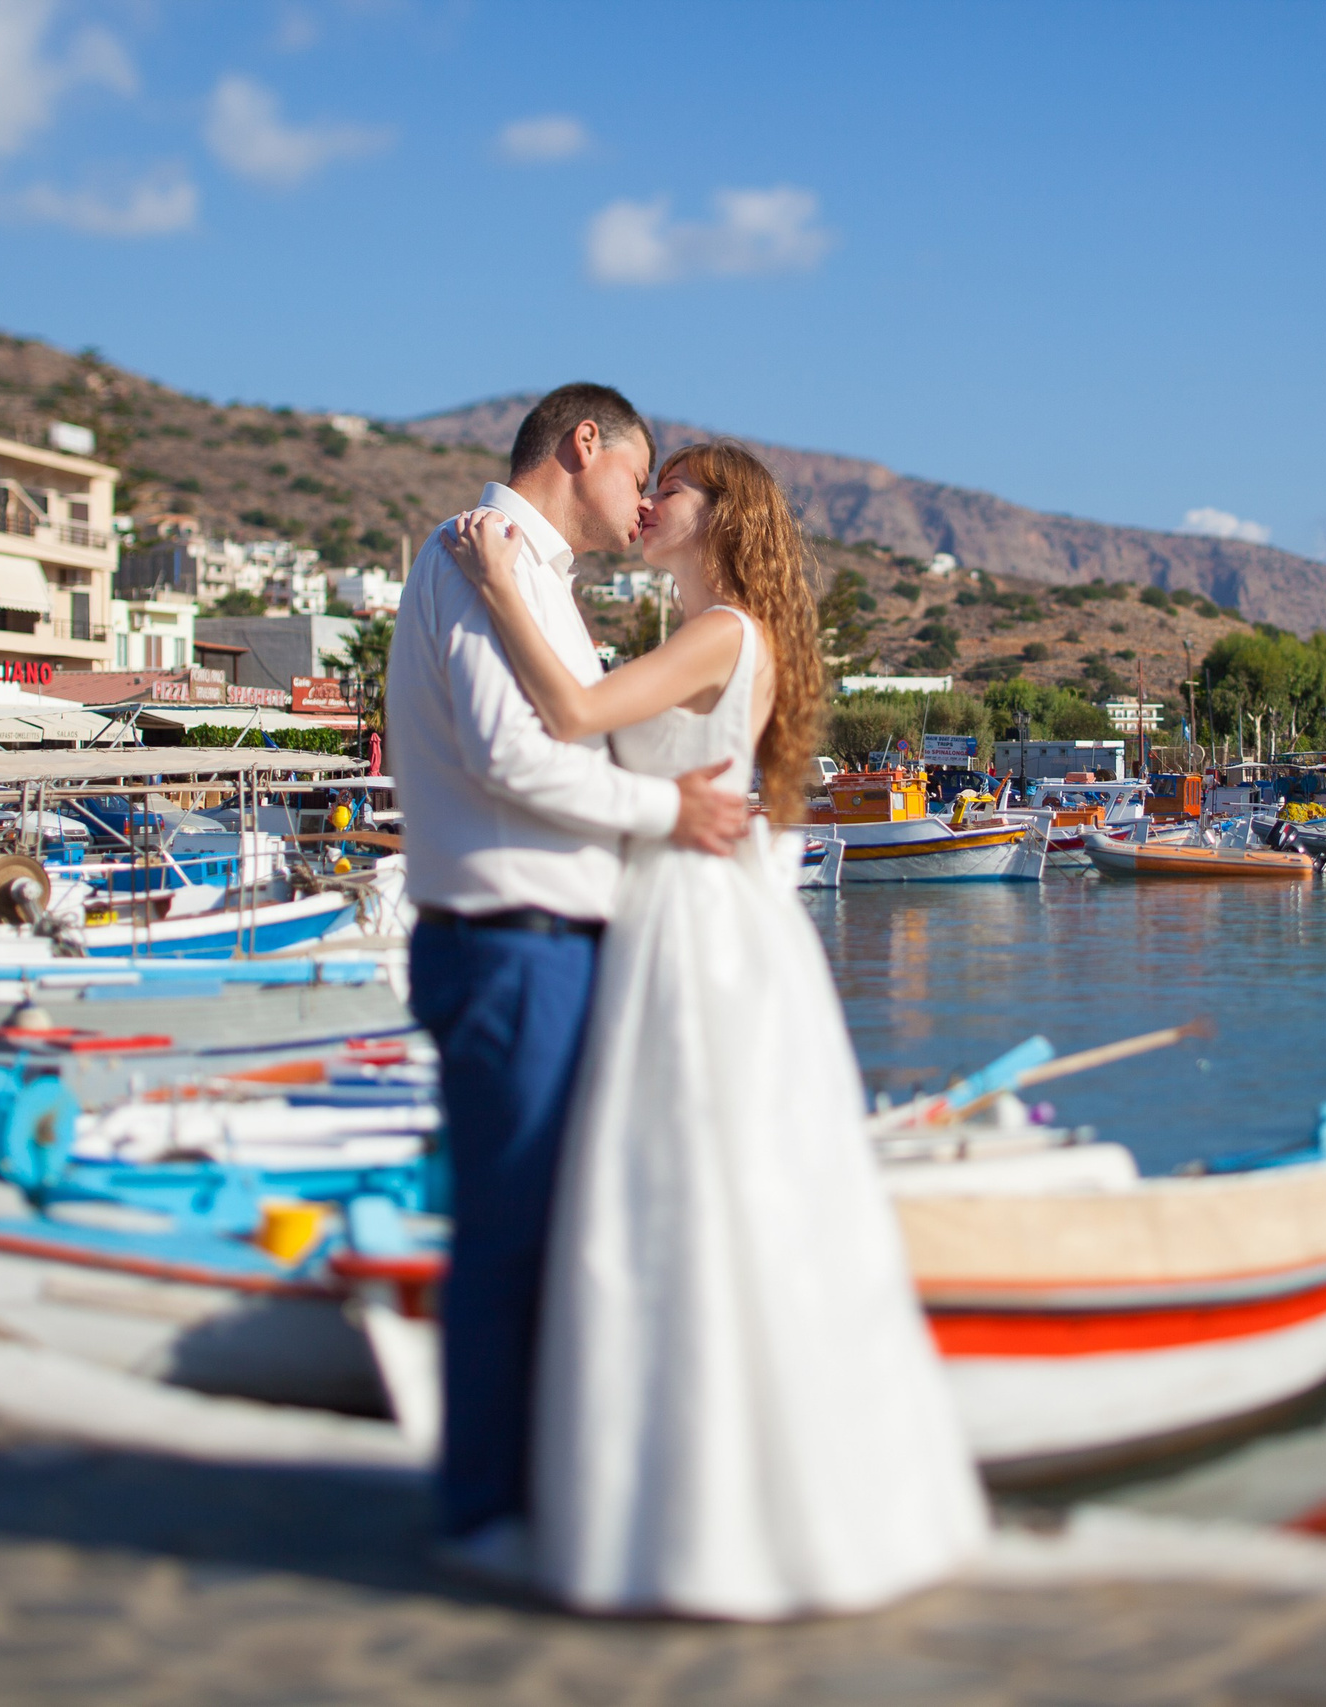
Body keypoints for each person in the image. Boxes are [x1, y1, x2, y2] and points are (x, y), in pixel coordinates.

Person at [446, 438, 986, 1619]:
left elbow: (577, 710)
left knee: (683, 1187)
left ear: (720, 514)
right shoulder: (717, 635)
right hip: (689, 912)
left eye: (670, 488)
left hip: (689, 927)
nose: (648, 502)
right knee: (697, 1192)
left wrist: (496, 586)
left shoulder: (725, 633)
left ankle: (684, 1517)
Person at [385, 384, 751, 1572]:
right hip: (511, 939)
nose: (644, 502)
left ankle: (538, 1494)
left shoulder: (525, 574)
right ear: (581, 444)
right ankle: (488, 1519)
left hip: (549, 940)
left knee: (555, 1232)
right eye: (635, 472)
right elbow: (507, 759)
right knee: (511, 1235)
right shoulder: (479, 557)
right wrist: (666, 809)